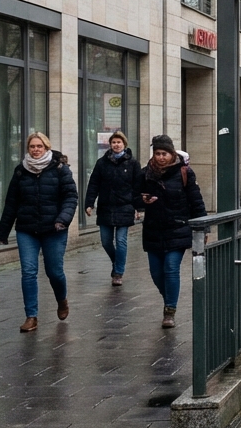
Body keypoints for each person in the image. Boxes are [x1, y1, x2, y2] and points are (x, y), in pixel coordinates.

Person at [0, 132, 78, 333]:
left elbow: (70, 197)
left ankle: (62, 300)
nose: (35, 149)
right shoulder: (20, 171)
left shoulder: (60, 169)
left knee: (54, 272)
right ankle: (31, 316)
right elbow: (11, 203)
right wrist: (4, 230)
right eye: (32, 146)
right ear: (28, 149)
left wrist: (62, 219)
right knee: (28, 272)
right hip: (27, 230)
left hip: (54, 229)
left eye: (39, 146)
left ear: (46, 148)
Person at [139, 135, 207, 329]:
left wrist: (203, 227)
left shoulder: (185, 172)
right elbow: (134, 195)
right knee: (156, 272)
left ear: (172, 154)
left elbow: (196, 200)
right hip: (153, 229)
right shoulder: (146, 174)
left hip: (178, 227)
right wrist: (141, 201)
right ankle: (168, 297)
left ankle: (170, 310)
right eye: (157, 153)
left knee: (170, 268)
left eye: (164, 153)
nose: (161, 157)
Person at [84, 130, 141, 287]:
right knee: (106, 241)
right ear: (110, 145)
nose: (116, 145)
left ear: (124, 144)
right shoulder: (101, 163)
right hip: (106, 207)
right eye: (114, 142)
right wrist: (89, 203)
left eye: (119, 142)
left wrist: (139, 208)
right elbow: (93, 184)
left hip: (125, 206)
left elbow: (137, 187)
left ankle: (118, 273)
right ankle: (117, 262)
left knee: (121, 240)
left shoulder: (133, 164)